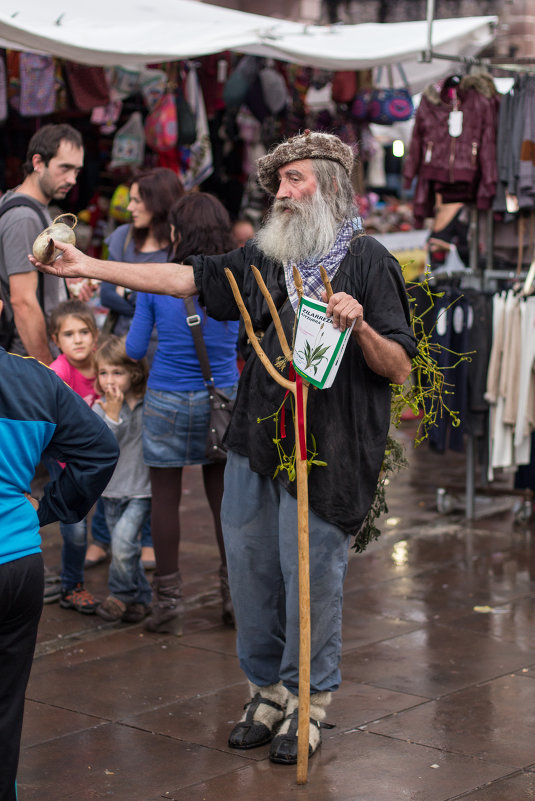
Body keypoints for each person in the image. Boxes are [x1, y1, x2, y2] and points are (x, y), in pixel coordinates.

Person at [30, 130, 416, 765]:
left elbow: (398, 366)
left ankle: (308, 702)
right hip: (257, 438)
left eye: (295, 180)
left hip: (332, 447)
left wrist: (360, 324)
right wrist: (88, 266)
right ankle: (264, 691)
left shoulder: (370, 260)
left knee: (312, 578)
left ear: (331, 184)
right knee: (253, 570)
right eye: (279, 183)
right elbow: (187, 277)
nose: (282, 193)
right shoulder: (266, 256)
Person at [0, 290, 118, 801]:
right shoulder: (35, 379)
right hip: (18, 563)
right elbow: (100, 449)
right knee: (6, 701)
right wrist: (43, 510)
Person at [125, 193, 240, 634]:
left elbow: (135, 348)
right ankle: (234, 599)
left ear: (179, 232)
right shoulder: (236, 278)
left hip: (168, 399)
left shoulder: (159, 282)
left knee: (166, 502)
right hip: (223, 400)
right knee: (226, 505)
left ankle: (168, 607)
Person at [86, 168, 184, 571]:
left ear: (159, 202)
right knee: (109, 437)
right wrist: (154, 293)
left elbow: (182, 295)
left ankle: (145, 538)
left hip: (164, 358)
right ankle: (101, 535)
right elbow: (109, 292)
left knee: (151, 448)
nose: (130, 206)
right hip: (122, 354)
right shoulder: (120, 239)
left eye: (139, 199)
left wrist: (135, 289)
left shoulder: (179, 245)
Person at [0, 123, 84, 365]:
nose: (72, 179)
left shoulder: (25, 203)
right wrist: (48, 369)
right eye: (65, 168)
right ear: (38, 163)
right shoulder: (23, 217)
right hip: (25, 357)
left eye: (77, 171)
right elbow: (23, 302)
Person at [45, 300, 101, 614]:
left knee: (109, 512)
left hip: (101, 460)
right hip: (66, 463)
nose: (77, 339)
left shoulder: (104, 363)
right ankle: (72, 585)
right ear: (56, 340)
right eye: (68, 334)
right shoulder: (59, 372)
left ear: (95, 336)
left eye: (84, 332)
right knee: (75, 526)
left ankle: (104, 551)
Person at [93, 336, 152, 624]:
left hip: (141, 490)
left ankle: (119, 595)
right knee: (125, 549)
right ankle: (141, 598)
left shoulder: (147, 402)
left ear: (134, 373)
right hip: (110, 491)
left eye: (117, 372)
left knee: (122, 543)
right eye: (103, 373)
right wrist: (112, 415)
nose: (109, 380)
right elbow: (103, 449)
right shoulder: (99, 408)